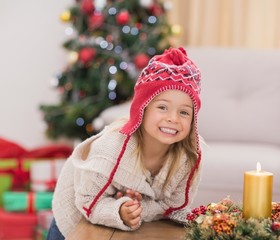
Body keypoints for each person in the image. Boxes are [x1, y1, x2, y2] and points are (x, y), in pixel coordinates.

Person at [47, 47, 203, 239]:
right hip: (75, 220)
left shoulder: (187, 157)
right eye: (162, 107)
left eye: (184, 112)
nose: (173, 118)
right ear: (142, 108)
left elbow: (173, 205)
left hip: (125, 227)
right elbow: (88, 201)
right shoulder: (110, 148)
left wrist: (136, 208)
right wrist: (119, 210)